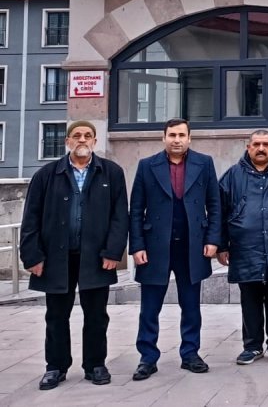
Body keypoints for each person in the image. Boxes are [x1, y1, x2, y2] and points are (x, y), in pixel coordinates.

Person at [19, 121, 128, 390]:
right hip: (56, 257)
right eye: (76, 136)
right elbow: (30, 218)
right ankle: (55, 367)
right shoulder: (46, 174)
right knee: (56, 315)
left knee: (97, 315)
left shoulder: (111, 173)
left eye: (87, 136)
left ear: (94, 141)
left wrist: (114, 251)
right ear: (67, 141)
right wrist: (32, 257)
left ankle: (95, 365)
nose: (82, 140)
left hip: (96, 257)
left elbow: (119, 217)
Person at [129, 118, 222, 380]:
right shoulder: (147, 166)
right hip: (155, 245)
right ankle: (148, 357)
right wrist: (136, 245)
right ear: (164, 138)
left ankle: (190, 353)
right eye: (172, 135)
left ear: (190, 138)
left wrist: (213, 239)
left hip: (192, 245)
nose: (177, 140)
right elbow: (136, 209)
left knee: (191, 305)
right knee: (150, 306)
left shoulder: (204, 164)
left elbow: (214, 204)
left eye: (182, 135)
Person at [218, 130, 268, 366]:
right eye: (256, 144)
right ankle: (252, 346)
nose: (261, 148)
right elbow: (219, 213)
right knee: (250, 299)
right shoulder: (232, 176)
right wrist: (222, 245)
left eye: (265, 144)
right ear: (247, 146)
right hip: (245, 249)